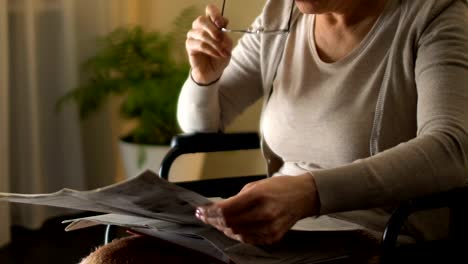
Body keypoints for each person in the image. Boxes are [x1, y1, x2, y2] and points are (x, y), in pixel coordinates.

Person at [80, 0, 468, 263]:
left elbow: (452, 149)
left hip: (374, 237)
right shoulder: (282, 13)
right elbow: (201, 126)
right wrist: (203, 76)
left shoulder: (434, 15)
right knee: (113, 260)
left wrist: (309, 192)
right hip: (271, 235)